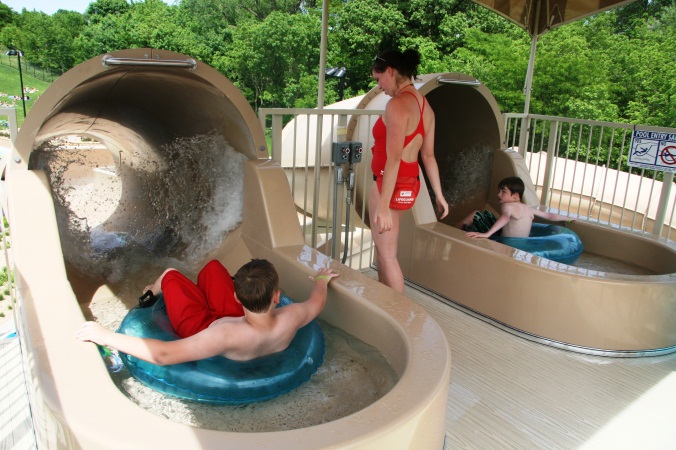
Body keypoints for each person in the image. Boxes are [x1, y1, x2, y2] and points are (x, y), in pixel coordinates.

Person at [76, 259, 339, 364]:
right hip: (240, 319)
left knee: (171, 275)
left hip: (205, 328)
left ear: (236, 296)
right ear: (277, 297)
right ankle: (191, 291)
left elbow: (164, 354)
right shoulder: (290, 317)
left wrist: (105, 335)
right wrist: (321, 279)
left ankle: (152, 291)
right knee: (213, 267)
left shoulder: (223, 335)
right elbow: (317, 303)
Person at [370, 49, 449, 292]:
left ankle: (398, 316)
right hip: (409, 183)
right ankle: (387, 307)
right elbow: (428, 156)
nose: (380, 86)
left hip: (388, 184)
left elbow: (393, 159)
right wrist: (439, 194)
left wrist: (383, 206)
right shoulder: (426, 106)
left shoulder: (397, 105)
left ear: (390, 72)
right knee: (384, 251)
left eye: (378, 79)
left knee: (388, 255)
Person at [464, 176, 574, 239]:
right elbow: (550, 216)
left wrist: (487, 234)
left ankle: (453, 230)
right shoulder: (528, 208)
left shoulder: (507, 206)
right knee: (487, 214)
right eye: (499, 191)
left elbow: (506, 217)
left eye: (503, 192)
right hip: (523, 242)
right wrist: (568, 218)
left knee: (476, 214)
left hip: (506, 241)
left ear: (516, 195)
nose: (499, 195)